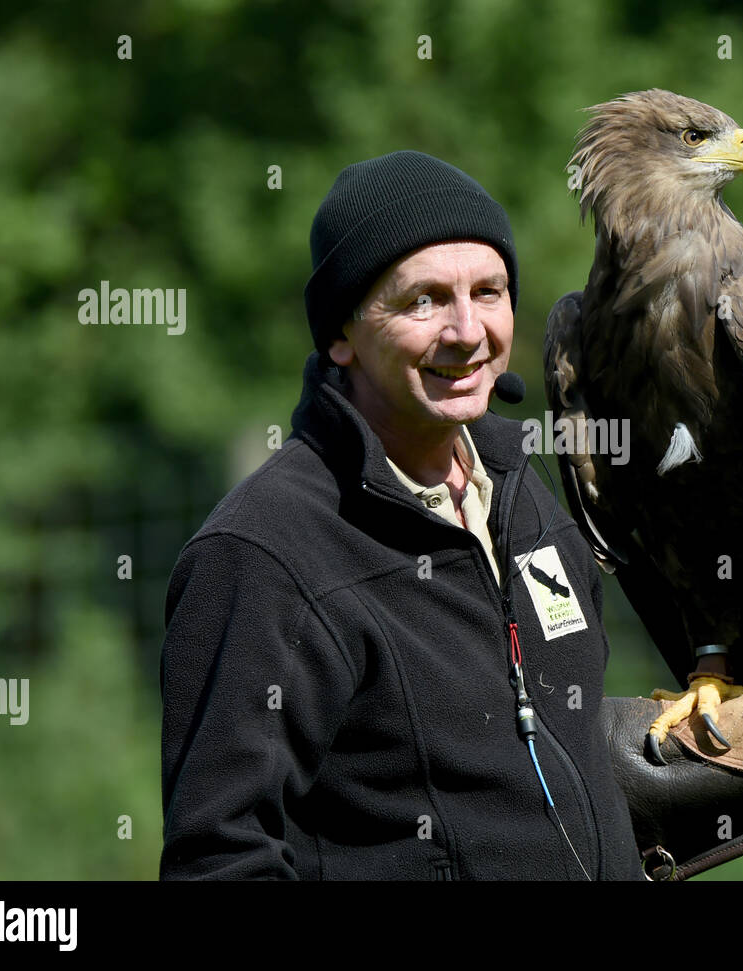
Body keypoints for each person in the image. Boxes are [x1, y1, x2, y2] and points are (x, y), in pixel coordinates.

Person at [159, 150, 642, 879]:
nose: (467, 330)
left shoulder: (527, 495)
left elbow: (545, 757)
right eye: (422, 300)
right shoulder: (262, 556)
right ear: (341, 336)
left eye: (489, 290)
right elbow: (220, 858)